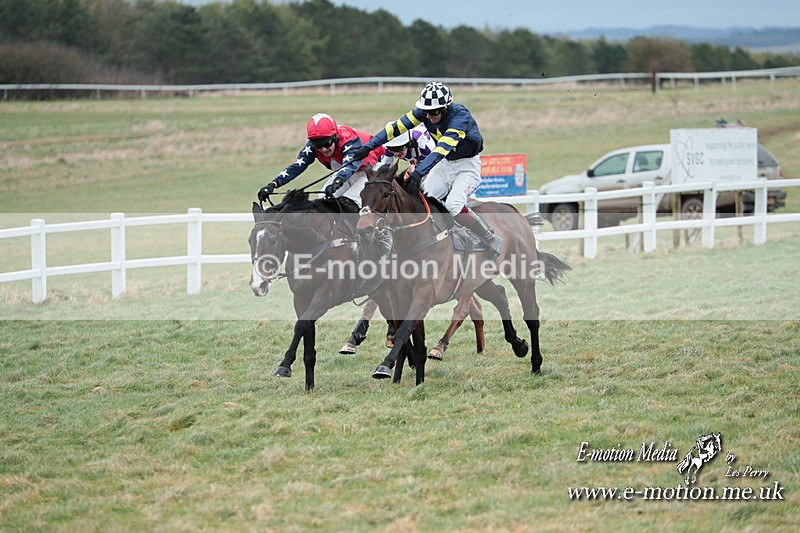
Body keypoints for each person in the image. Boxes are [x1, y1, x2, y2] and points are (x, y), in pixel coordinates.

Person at [352, 82, 502, 255]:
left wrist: (419, 173)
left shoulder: (461, 118)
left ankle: (488, 236)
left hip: (467, 167)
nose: (429, 116)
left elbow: (441, 149)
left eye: (434, 112)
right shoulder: (425, 113)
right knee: (421, 201)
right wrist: (368, 147)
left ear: (445, 108)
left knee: (453, 205)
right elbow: (394, 129)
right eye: (426, 112)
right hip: (445, 165)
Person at [258, 113, 385, 207]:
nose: (323, 149)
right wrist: (273, 184)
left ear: (335, 136)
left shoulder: (349, 140)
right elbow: (297, 166)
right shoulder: (313, 146)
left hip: (373, 170)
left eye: (327, 143)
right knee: (322, 200)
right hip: (347, 172)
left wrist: (337, 181)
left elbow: (349, 166)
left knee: (351, 203)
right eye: (318, 145)